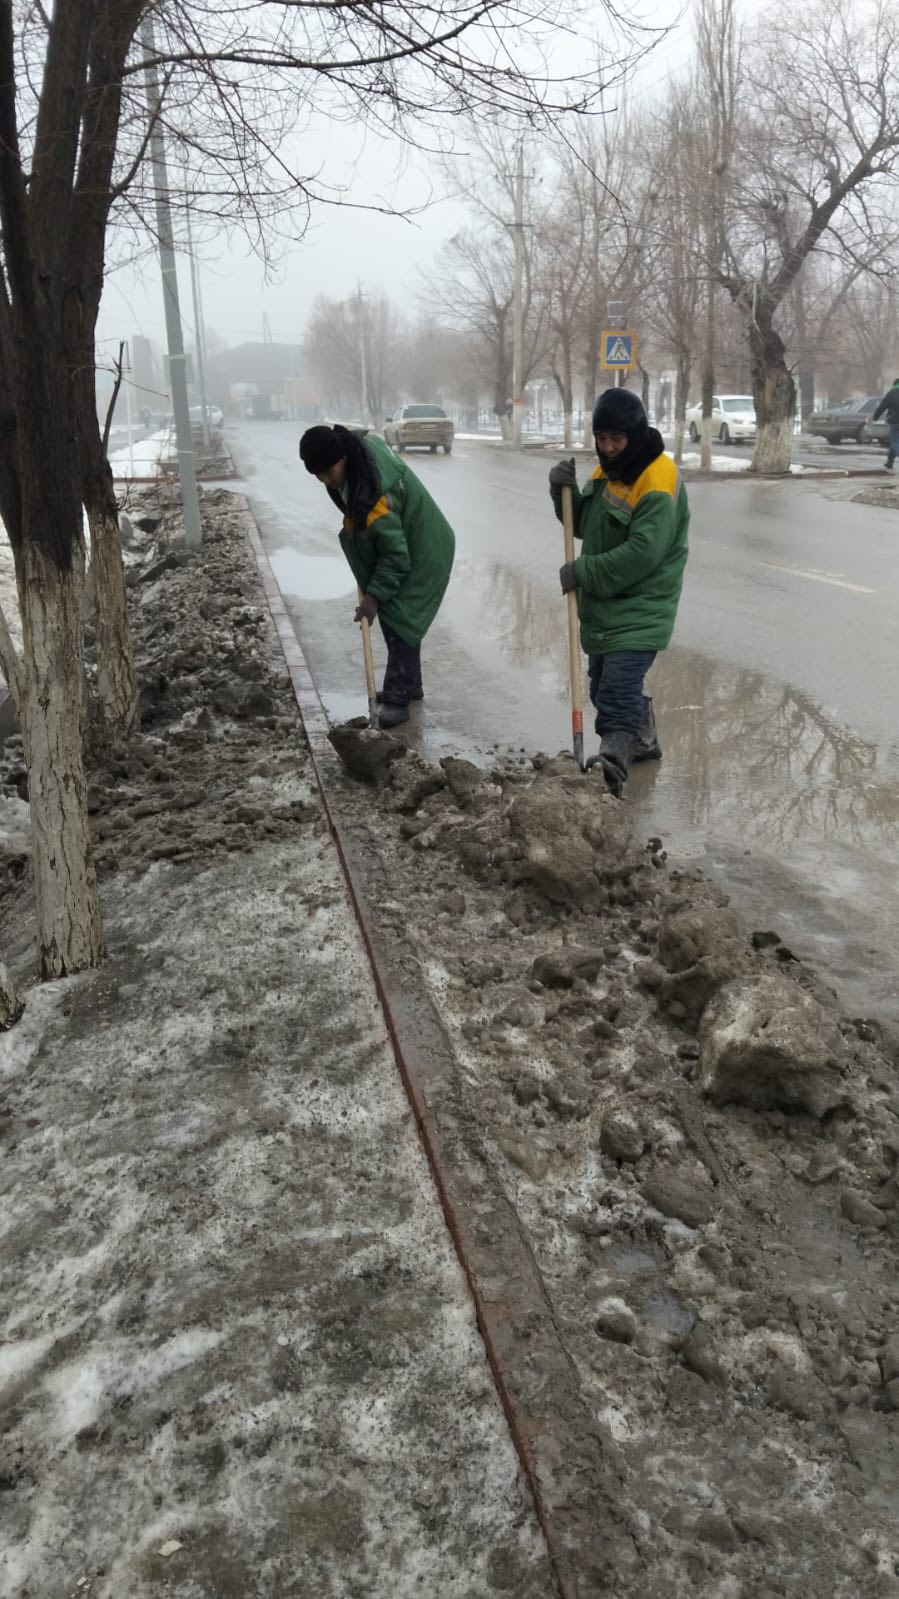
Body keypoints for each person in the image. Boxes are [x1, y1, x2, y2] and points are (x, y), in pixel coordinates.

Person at [548, 388, 689, 797]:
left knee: (617, 690)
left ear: (635, 434)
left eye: (617, 439)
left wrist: (584, 570)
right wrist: (563, 494)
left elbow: (643, 554)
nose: (608, 448)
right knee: (600, 685)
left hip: (643, 604)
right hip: (606, 604)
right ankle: (643, 740)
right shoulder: (607, 471)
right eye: (601, 438)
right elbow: (584, 525)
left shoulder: (657, 478)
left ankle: (613, 766)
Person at [298, 423, 455, 728]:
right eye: (318, 475)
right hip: (412, 542)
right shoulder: (355, 465)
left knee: (401, 617)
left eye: (328, 472)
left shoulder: (375, 496)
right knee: (396, 614)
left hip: (425, 550)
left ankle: (398, 698)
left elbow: (395, 557)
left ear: (343, 456)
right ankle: (409, 684)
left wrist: (373, 597)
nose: (325, 480)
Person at [873, 379, 899, 472]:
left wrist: (876, 416)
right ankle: (889, 462)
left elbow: (882, 406)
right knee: (895, 442)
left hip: (895, 421)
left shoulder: (891, 394)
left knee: (895, 442)